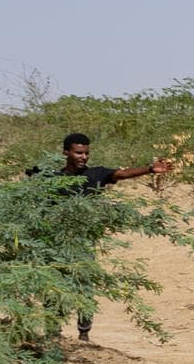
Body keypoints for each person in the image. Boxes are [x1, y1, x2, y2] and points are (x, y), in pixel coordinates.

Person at [29, 131, 174, 341]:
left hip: (83, 242)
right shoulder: (53, 179)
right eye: (78, 153)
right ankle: (53, 334)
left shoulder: (95, 175)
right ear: (66, 153)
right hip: (55, 242)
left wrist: (150, 169)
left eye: (86, 153)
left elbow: (122, 174)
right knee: (53, 288)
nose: (83, 157)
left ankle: (84, 335)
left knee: (85, 286)